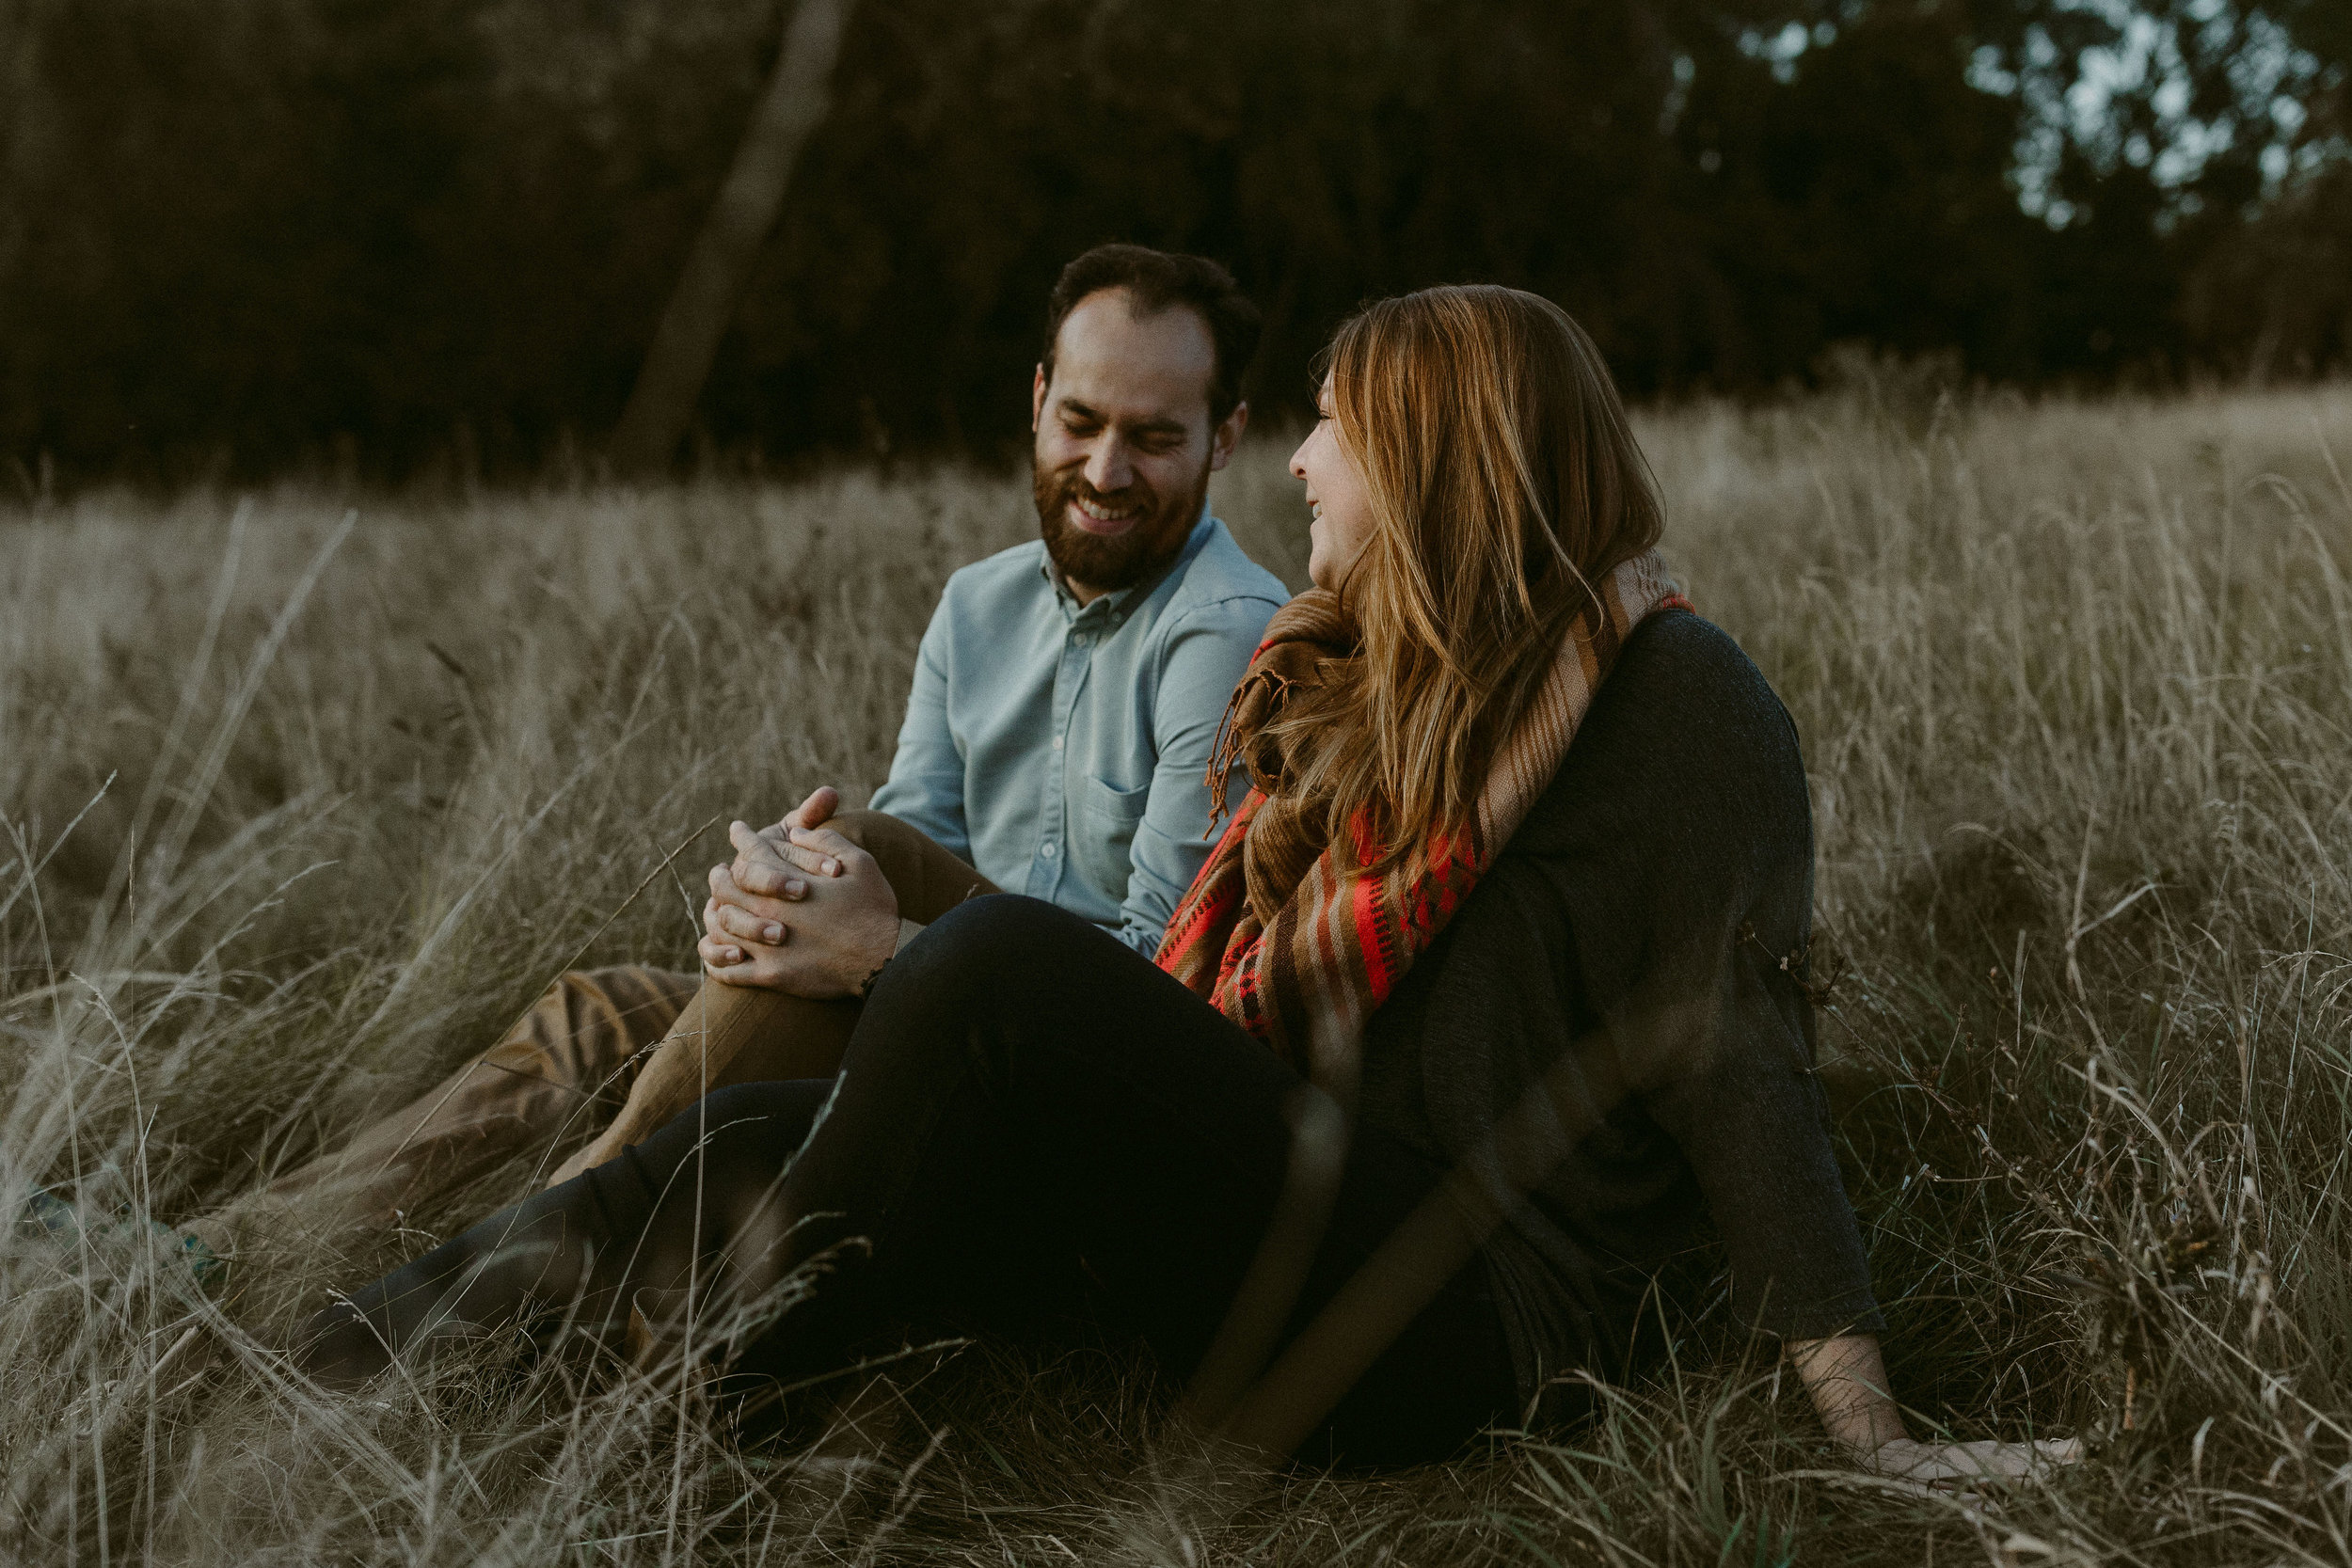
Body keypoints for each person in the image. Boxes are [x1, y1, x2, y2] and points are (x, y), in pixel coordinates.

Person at [295, 285, 2077, 1482]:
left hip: (1451, 1308)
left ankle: (709, 1414)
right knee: (719, 1146)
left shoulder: (1671, 698)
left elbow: (1737, 1062)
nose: (1297, 463)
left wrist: (1875, 1435)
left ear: (1445, 464)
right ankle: (312, 1383)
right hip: (1262, 1190)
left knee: (986, 966)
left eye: (1332, 429)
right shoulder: (1365, 674)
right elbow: (1228, 992)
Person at [192, 244, 1289, 1258]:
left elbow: (1161, 983)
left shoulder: (1227, 628)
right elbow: (911, 845)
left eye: (1152, 437)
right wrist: (777, 892)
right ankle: (235, 1252)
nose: (1104, 470)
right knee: (608, 1004)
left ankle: (495, 1279)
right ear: (1036, 401)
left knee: (838, 857)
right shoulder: (978, 604)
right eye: (1081, 421)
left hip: (1062, 1078)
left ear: (1224, 439)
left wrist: (871, 940)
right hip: (934, 1015)